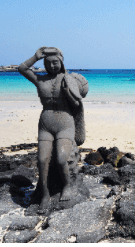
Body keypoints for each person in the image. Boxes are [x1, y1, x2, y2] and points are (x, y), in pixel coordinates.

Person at [19, 47, 88, 213]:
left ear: (61, 62)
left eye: (55, 62)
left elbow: (77, 104)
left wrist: (68, 93)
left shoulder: (69, 79)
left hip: (65, 124)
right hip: (45, 125)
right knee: (42, 160)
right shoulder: (40, 80)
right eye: (48, 63)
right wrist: (35, 57)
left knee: (61, 159)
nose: (52, 66)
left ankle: (67, 186)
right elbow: (21, 68)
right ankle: (45, 193)